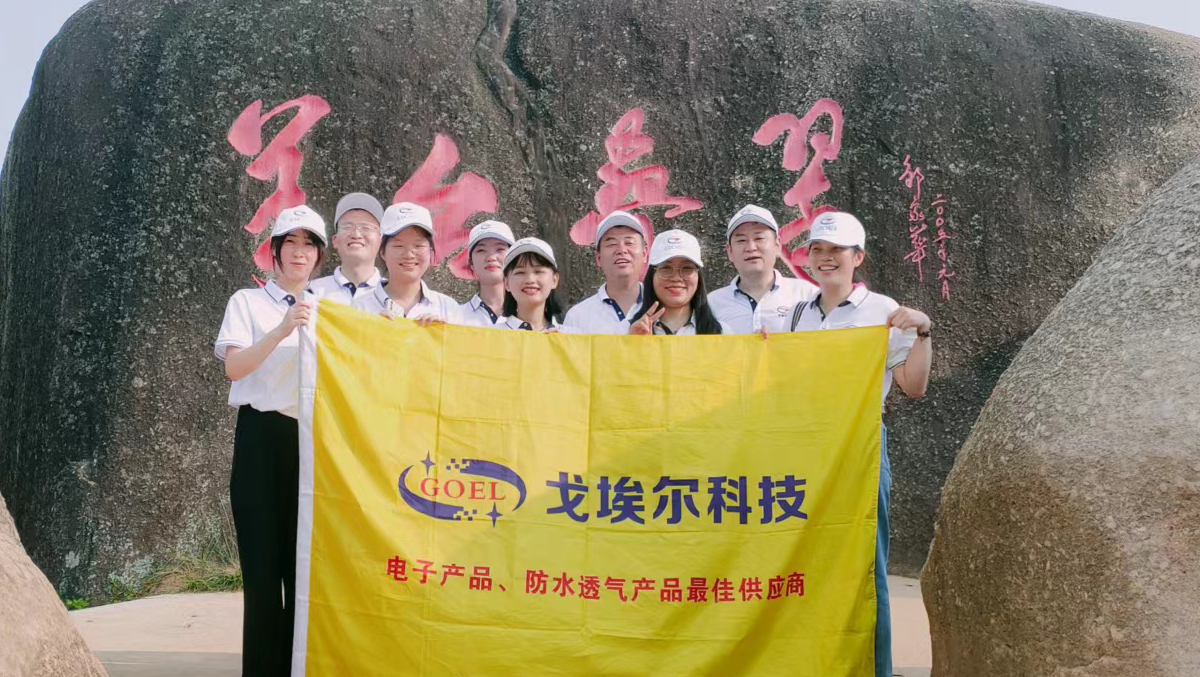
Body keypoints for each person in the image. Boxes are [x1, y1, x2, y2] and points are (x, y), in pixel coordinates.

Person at [783, 210, 931, 677]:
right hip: (808, 448)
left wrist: (923, 330)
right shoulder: (799, 313)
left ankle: (876, 668)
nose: (826, 259)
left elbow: (913, 386)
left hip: (861, 446)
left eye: (837, 251)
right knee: (809, 561)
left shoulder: (883, 311)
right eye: (818, 250)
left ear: (858, 257)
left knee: (866, 565)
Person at [214, 205, 327, 676]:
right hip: (261, 437)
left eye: (309, 244)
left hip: (313, 441)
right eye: (290, 242)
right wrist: (283, 328)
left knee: (303, 572)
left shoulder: (330, 306)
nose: (300, 252)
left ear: (319, 254)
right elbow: (234, 368)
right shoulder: (248, 302)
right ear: (274, 251)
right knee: (262, 573)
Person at [708, 204, 817, 334]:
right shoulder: (712, 304)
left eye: (759, 238)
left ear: (777, 246)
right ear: (729, 251)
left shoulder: (807, 295)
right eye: (741, 240)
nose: (751, 247)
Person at [352, 202, 461, 322]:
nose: (409, 255)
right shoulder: (359, 307)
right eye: (398, 246)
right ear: (382, 252)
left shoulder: (448, 309)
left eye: (418, 245)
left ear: (430, 251)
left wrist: (441, 331)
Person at [561, 210, 647, 334]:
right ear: (599, 258)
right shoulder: (578, 317)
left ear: (644, 254)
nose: (621, 250)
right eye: (612, 244)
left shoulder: (662, 308)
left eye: (629, 243)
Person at [627, 229, 725, 335]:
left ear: (698, 275)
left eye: (687, 268)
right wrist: (631, 342)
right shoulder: (625, 330)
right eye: (666, 268)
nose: (676, 278)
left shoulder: (722, 332)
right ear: (652, 275)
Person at [308, 193, 384, 303]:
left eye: (366, 228)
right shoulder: (312, 292)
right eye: (347, 227)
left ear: (380, 241)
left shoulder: (393, 295)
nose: (356, 235)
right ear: (335, 240)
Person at [496, 237, 565, 332]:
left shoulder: (572, 335)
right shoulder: (490, 335)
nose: (530, 280)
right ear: (506, 283)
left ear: (554, 280)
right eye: (520, 272)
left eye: (538, 271)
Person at [459, 220, 516, 326]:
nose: (491, 257)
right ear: (471, 263)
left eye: (500, 249)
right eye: (481, 250)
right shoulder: (455, 317)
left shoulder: (533, 317)